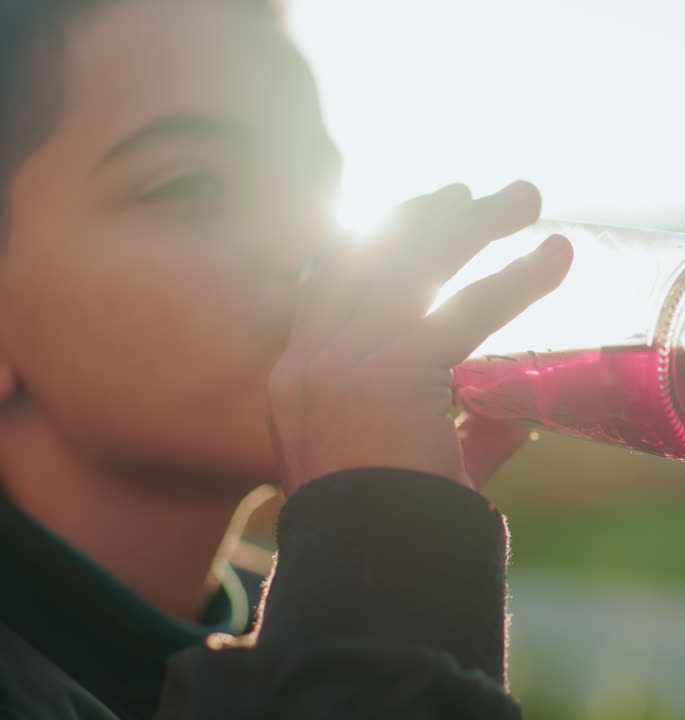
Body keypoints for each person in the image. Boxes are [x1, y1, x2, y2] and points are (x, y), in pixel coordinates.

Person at [0, 0, 573, 717]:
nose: (315, 245)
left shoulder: (291, 630)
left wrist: (391, 574)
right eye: (194, 185)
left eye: (315, 183)